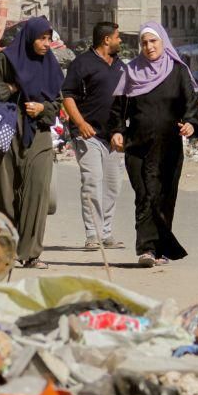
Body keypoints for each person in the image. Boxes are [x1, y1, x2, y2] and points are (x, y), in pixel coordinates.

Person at [0, 17, 64, 269]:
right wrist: (11, 88)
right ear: (29, 38)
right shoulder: (8, 59)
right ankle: (6, 250)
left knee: (37, 193)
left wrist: (42, 108)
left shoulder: (50, 65)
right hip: (4, 133)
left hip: (39, 134)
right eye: (42, 38)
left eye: (49, 38)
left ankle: (32, 253)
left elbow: (57, 102)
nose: (47, 44)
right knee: (2, 193)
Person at [110, 23, 198, 268]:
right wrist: (117, 131)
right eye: (144, 43)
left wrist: (190, 124)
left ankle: (160, 250)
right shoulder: (131, 72)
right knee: (145, 195)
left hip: (169, 147)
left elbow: (190, 104)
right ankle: (146, 249)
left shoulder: (178, 71)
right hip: (138, 145)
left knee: (164, 196)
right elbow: (118, 109)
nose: (149, 47)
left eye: (153, 42)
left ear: (163, 43)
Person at [62, 21, 126, 250]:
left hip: (114, 137)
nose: (120, 40)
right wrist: (80, 123)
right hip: (88, 135)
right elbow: (67, 95)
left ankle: (106, 233)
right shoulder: (82, 64)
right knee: (92, 182)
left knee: (112, 186)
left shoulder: (120, 65)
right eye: (117, 37)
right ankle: (92, 234)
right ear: (106, 39)